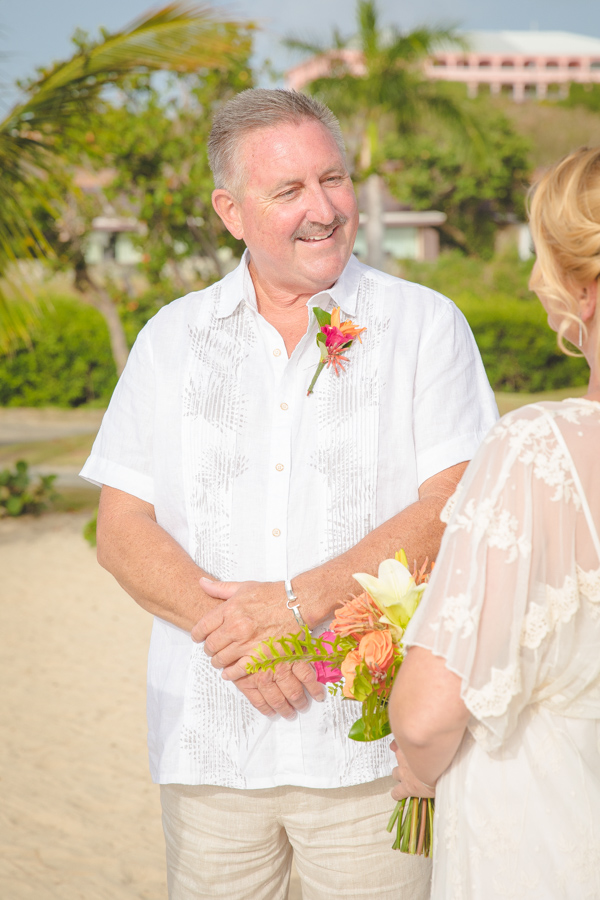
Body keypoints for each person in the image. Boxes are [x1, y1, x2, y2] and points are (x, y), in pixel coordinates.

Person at [80, 88, 498, 899]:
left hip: (373, 748)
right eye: (289, 191)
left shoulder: (425, 323)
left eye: (332, 179)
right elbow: (121, 527)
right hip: (207, 745)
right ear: (229, 211)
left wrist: (294, 602)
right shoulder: (171, 338)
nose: (324, 209)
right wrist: (240, 634)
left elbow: (457, 506)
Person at [389, 145, 600, 899]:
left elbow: (426, 712)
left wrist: (415, 764)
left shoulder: (538, 447)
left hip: (542, 831)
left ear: (583, 285)